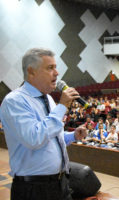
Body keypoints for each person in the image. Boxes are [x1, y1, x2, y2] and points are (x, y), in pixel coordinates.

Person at [0, 48, 87, 200]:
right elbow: (34, 138)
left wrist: (72, 136)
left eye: (56, 67)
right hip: (34, 189)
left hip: (61, 183)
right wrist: (62, 107)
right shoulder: (15, 101)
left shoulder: (49, 99)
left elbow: (51, 138)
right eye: (50, 68)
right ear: (31, 71)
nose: (57, 73)